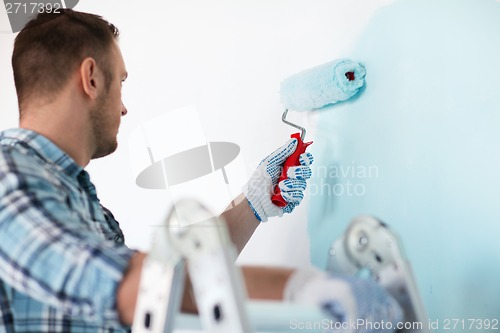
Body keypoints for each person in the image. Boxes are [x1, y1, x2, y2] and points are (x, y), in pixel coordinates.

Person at [0, 9, 402, 332]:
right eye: (121, 83)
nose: (124, 107)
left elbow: (171, 280)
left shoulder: (78, 202)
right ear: (90, 78)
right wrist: (306, 289)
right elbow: (142, 289)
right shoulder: (7, 176)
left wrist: (255, 202)